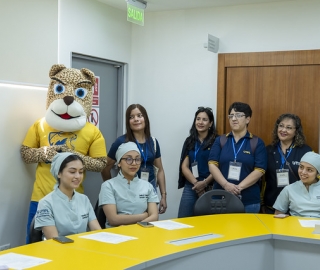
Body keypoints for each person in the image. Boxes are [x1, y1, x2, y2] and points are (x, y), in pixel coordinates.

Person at [101, 104, 167, 214]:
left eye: (139, 116)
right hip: (127, 188)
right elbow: (105, 167)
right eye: (131, 117)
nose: (136, 119)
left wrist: (163, 195)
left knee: (149, 222)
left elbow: (160, 170)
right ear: (128, 121)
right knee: (130, 222)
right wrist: (113, 189)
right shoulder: (121, 141)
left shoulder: (153, 142)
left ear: (145, 118)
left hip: (149, 187)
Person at [208, 102, 267, 213]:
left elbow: (260, 170)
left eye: (238, 115)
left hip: (249, 200)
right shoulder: (221, 140)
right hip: (220, 197)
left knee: (247, 230)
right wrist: (226, 185)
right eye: (231, 116)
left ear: (248, 119)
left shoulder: (257, 142)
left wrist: (237, 188)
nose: (234, 119)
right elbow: (212, 165)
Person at [34, 153, 101, 239]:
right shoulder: (46, 203)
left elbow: (96, 230)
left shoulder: (84, 199)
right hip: (59, 250)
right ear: (59, 173)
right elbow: (54, 240)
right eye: (72, 172)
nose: (78, 176)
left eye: (81, 172)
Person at [99, 142, 159, 227]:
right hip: (117, 235)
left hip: (142, 232)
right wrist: (143, 216)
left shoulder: (147, 186)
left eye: (137, 159)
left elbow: (154, 216)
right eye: (128, 159)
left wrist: (134, 228)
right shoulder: (108, 185)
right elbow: (113, 219)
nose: (134, 163)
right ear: (119, 163)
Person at [262, 114, 312, 214]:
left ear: (296, 131)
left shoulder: (306, 151)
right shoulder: (268, 150)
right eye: (281, 126)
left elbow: (313, 179)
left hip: (297, 208)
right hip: (271, 206)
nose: (283, 130)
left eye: (289, 128)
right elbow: (262, 179)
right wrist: (261, 203)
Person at [177, 107, 218, 218]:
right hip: (191, 186)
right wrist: (196, 184)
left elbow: (219, 167)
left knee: (208, 222)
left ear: (210, 123)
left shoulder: (217, 141)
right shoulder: (190, 140)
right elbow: (184, 166)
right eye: (198, 119)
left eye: (204, 119)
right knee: (183, 220)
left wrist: (204, 183)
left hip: (210, 187)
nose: (200, 122)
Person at [273, 152, 320, 217]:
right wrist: (286, 219)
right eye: (301, 167)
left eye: (309, 170)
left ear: (318, 173)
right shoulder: (289, 189)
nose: (303, 172)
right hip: (295, 225)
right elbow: (278, 214)